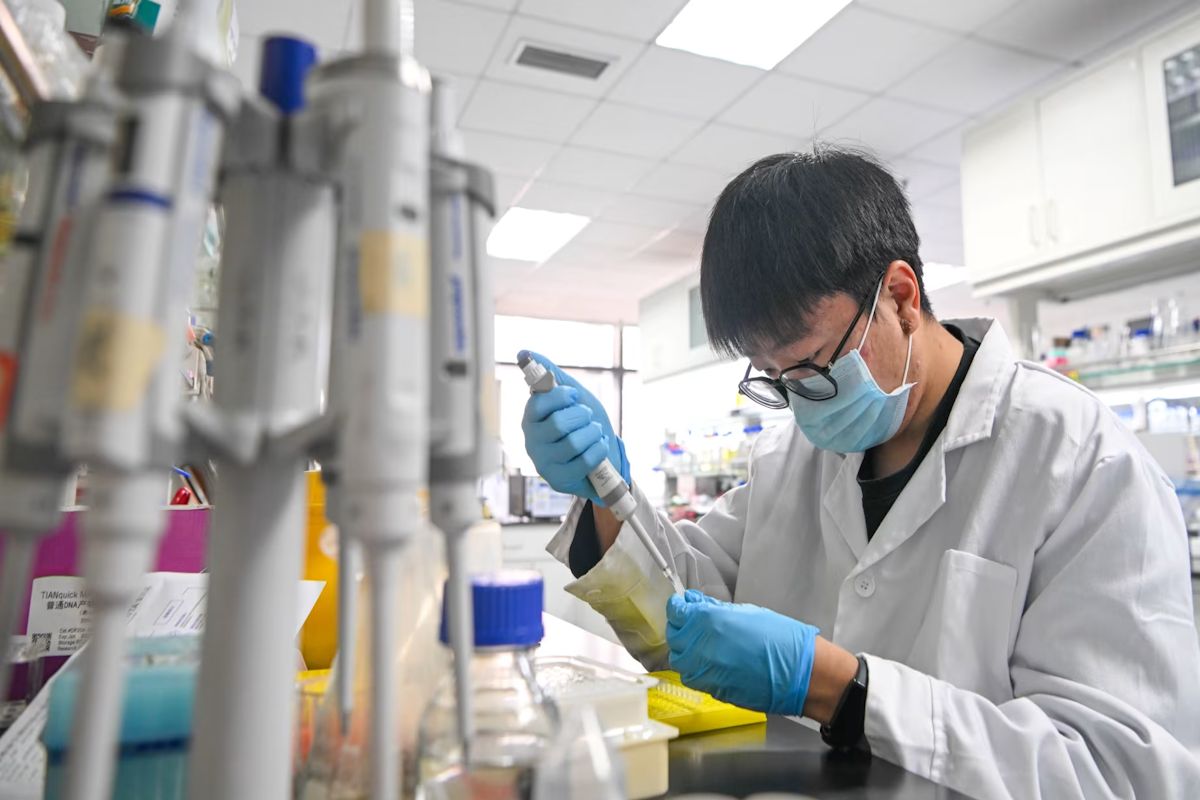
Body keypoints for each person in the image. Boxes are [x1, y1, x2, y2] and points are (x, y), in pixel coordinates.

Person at [520, 147, 1200, 799]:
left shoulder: (1082, 462)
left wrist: (842, 689)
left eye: (813, 368)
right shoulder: (791, 460)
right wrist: (602, 488)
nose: (799, 403)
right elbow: (680, 610)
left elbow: (1121, 773)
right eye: (776, 380)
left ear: (901, 297)